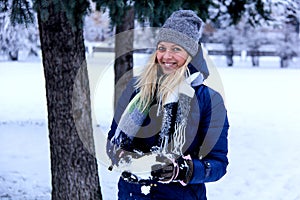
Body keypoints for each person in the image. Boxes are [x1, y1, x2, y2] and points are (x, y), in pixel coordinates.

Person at [106, 10, 229, 200]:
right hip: (133, 194)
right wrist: (120, 154)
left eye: (176, 49)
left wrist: (184, 170)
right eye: (162, 48)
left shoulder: (209, 100)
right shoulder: (137, 89)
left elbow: (218, 164)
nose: (166, 56)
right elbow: (113, 140)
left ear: (190, 53)